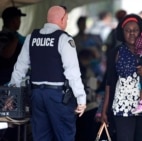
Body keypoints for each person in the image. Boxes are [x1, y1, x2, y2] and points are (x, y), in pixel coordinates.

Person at [8, 5, 87, 141]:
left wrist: (11, 93)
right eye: (66, 19)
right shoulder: (64, 39)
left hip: (37, 95)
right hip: (58, 97)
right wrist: (81, 98)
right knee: (64, 136)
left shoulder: (31, 38)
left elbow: (20, 68)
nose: (66, 22)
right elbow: (72, 72)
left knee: (41, 137)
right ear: (62, 19)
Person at [0, 6, 26, 86]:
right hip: (4, 80)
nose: (20, 22)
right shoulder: (4, 36)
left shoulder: (15, 36)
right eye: (18, 19)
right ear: (13, 21)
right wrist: (15, 41)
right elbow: (6, 54)